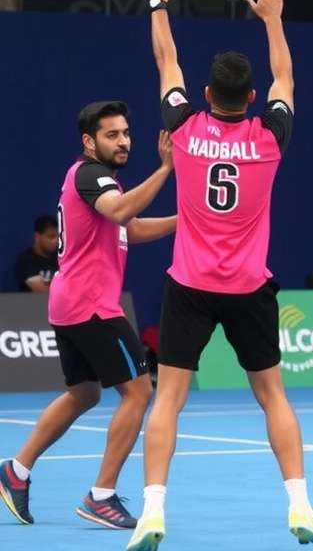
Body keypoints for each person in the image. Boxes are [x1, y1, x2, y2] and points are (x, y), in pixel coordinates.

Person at [127, 0, 313, 550]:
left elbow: (166, 60)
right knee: (273, 396)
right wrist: (273, 19)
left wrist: (158, 3)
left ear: (208, 93)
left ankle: (152, 512)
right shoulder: (270, 137)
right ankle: (301, 505)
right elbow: (285, 75)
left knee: (169, 399)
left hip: (190, 285)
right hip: (248, 287)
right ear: (253, 97)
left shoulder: (184, 130)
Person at [0, 101, 176, 530]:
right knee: (139, 392)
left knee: (84, 393)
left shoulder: (100, 182)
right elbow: (122, 212)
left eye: (126, 133)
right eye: (112, 135)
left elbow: (130, 227)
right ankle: (101, 495)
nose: (123, 141)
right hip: (92, 305)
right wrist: (166, 169)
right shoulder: (91, 175)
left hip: (70, 304)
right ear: (89, 141)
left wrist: (186, 220)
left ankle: (15, 471)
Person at [15, 215, 59, 292]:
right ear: (37, 237)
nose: (56, 241)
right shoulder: (26, 260)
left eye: (57, 237)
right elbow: (42, 290)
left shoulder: (61, 259)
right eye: (51, 237)